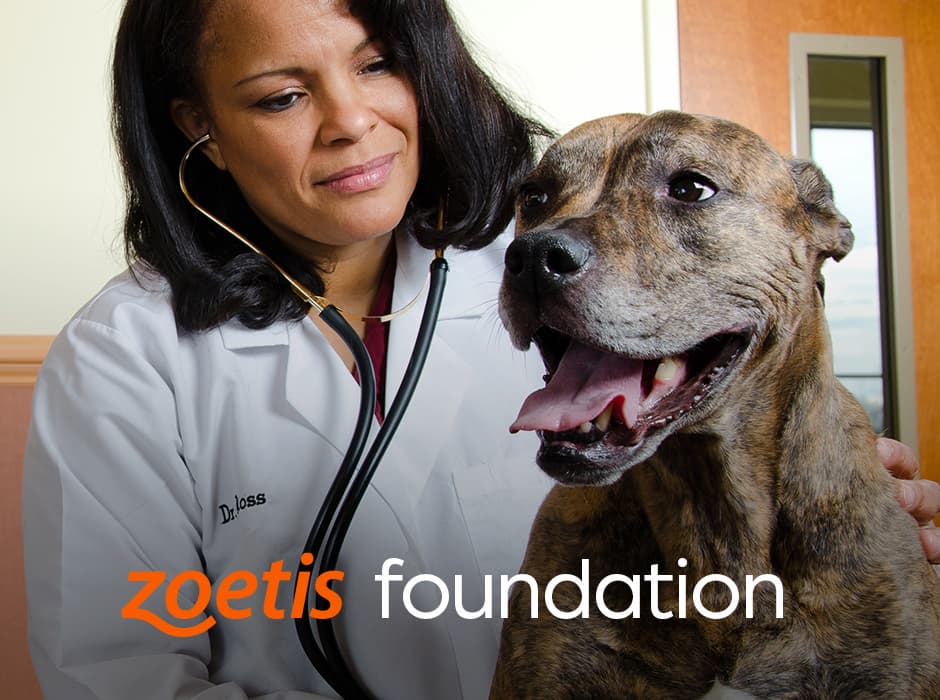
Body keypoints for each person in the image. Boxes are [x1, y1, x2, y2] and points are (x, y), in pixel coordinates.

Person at [21, 1, 939, 699]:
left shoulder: (558, 267)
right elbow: (116, 675)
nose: (352, 121)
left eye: (379, 64)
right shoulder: (126, 356)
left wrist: (834, 498)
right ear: (199, 126)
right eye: (284, 95)